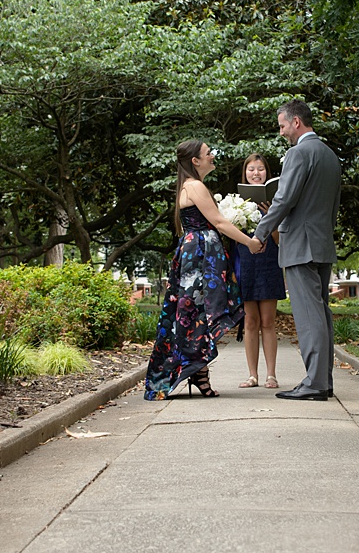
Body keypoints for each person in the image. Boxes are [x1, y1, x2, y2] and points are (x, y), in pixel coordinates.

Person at [145, 140, 264, 400]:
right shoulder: (195, 186)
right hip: (199, 255)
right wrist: (250, 242)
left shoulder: (191, 185)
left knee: (196, 312)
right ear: (195, 161)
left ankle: (199, 372)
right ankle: (197, 371)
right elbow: (219, 222)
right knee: (196, 312)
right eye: (208, 153)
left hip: (199, 253)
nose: (213, 156)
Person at [251, 100, 342, 401]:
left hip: (300, 245)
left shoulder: (298, 153)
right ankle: (323, 380)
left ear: (296, 123)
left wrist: (261, 232)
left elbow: (285, 199)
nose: (281, 133)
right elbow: (333, 207)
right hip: (322, 243)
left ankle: (314, 384)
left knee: (308, 315)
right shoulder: (329, 155)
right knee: (322, 313)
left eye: (282, 126)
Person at [233, 153, 287, 389]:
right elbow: (233, 239)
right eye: (251, 169)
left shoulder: (277, 202)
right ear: (245, 173)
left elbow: (278, 240)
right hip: (245, 263)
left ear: (268, 173)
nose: (256, 173)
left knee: (268, 321)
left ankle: (271, 375)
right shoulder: (235, 203)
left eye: (261, 169)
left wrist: (270, 216)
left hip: (268, 262)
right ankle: (252, 375)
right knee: (250, 321)